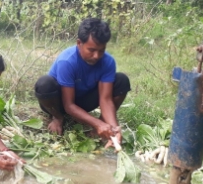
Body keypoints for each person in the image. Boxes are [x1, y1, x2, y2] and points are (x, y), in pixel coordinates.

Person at [34, 17, 131, 149]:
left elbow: (106, 99)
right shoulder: (67, 61)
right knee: (44, 84)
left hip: (83, 102)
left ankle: (104, 123)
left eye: (101, 50)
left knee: (121, 80)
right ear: (79, 43)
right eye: (91, 50)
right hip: (59, 103)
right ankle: (57, 118)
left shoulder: (108, 62)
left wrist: (114, 128)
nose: (96, 56)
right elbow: (69, 105)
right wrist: (95, 124)